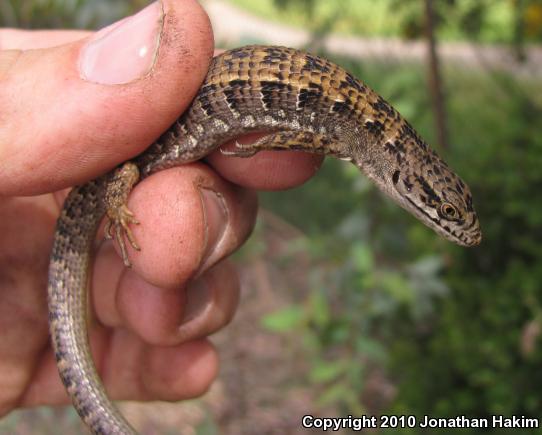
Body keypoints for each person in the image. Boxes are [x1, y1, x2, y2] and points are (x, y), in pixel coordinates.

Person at [0, 0, 323, 414]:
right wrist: (115, 206)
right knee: (153, 207)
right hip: (125, 162)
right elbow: (124, 165)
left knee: (171, 235)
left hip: (139, 156)